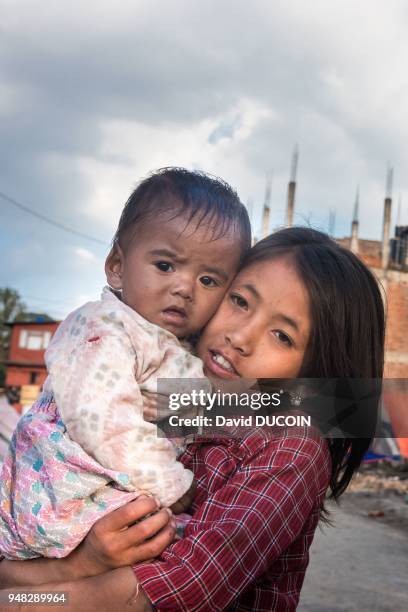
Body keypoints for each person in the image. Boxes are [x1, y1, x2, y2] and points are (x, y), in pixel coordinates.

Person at [0, 228, 385, 611]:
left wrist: (24, 602)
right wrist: (84, 562)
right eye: (239, 301)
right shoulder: (157, 390)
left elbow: (183, 586)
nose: (240, 337)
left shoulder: (291, 445)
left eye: (282, 336)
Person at [0, 167, 251, 560]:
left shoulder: (182, 347)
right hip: (63, 491)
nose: (184, 288)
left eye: (208, 280)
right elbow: (104, 419)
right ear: (117, 264)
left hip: (111, 492)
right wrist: (172, 484)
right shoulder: (101, 326)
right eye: (165, 266)